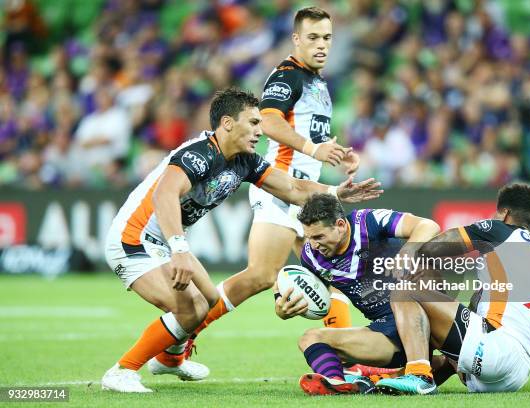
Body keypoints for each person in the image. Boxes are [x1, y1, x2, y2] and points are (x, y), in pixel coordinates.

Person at [101, 88, 382, 393]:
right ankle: (122, 371)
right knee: (191, 309)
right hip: (134, 238)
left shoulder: (244, 161)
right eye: (253, 123)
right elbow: (164, 194)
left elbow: (290, 187)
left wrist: (335, 193)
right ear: (227, 123)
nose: (260, 131)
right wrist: (180, 248)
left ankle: (169, 359)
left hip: (163, 241)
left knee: (209, 300)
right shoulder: (199, 153)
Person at [183, 6, 361, 359]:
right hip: (283, 189)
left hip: (306, 193)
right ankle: (183, 331)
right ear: (296, 39)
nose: (321, 45)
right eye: (312, 37)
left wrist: (334, 152)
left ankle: (347, 355)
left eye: (327, 38)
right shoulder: (287, 74)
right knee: (262, 275)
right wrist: (314, 148)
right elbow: (268, 120)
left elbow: (308, 133)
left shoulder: (317, 82)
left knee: (332, 275)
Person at [376, 183, 530, 395]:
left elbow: (433, 248)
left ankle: (418, 375)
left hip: (496, 353)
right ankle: (394, 379)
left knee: (405, 292)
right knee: (448, 324)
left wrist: (407, 249)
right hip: (514, 375)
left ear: (505, 213)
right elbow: (475, 308)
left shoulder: (499, 229)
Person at [274, 193, 441, 395]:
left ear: (341, 225)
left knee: (473, 372)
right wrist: (282, 307)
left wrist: (407, 254)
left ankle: (422, 370)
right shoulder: (312, 257)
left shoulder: (368, 222)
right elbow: (294, 286)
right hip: (387, 335)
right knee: (310, 338)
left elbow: (427, 225)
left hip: (426, 319)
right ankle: (338, 384)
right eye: (309, 237)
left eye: (319, 236)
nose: (314, 244)